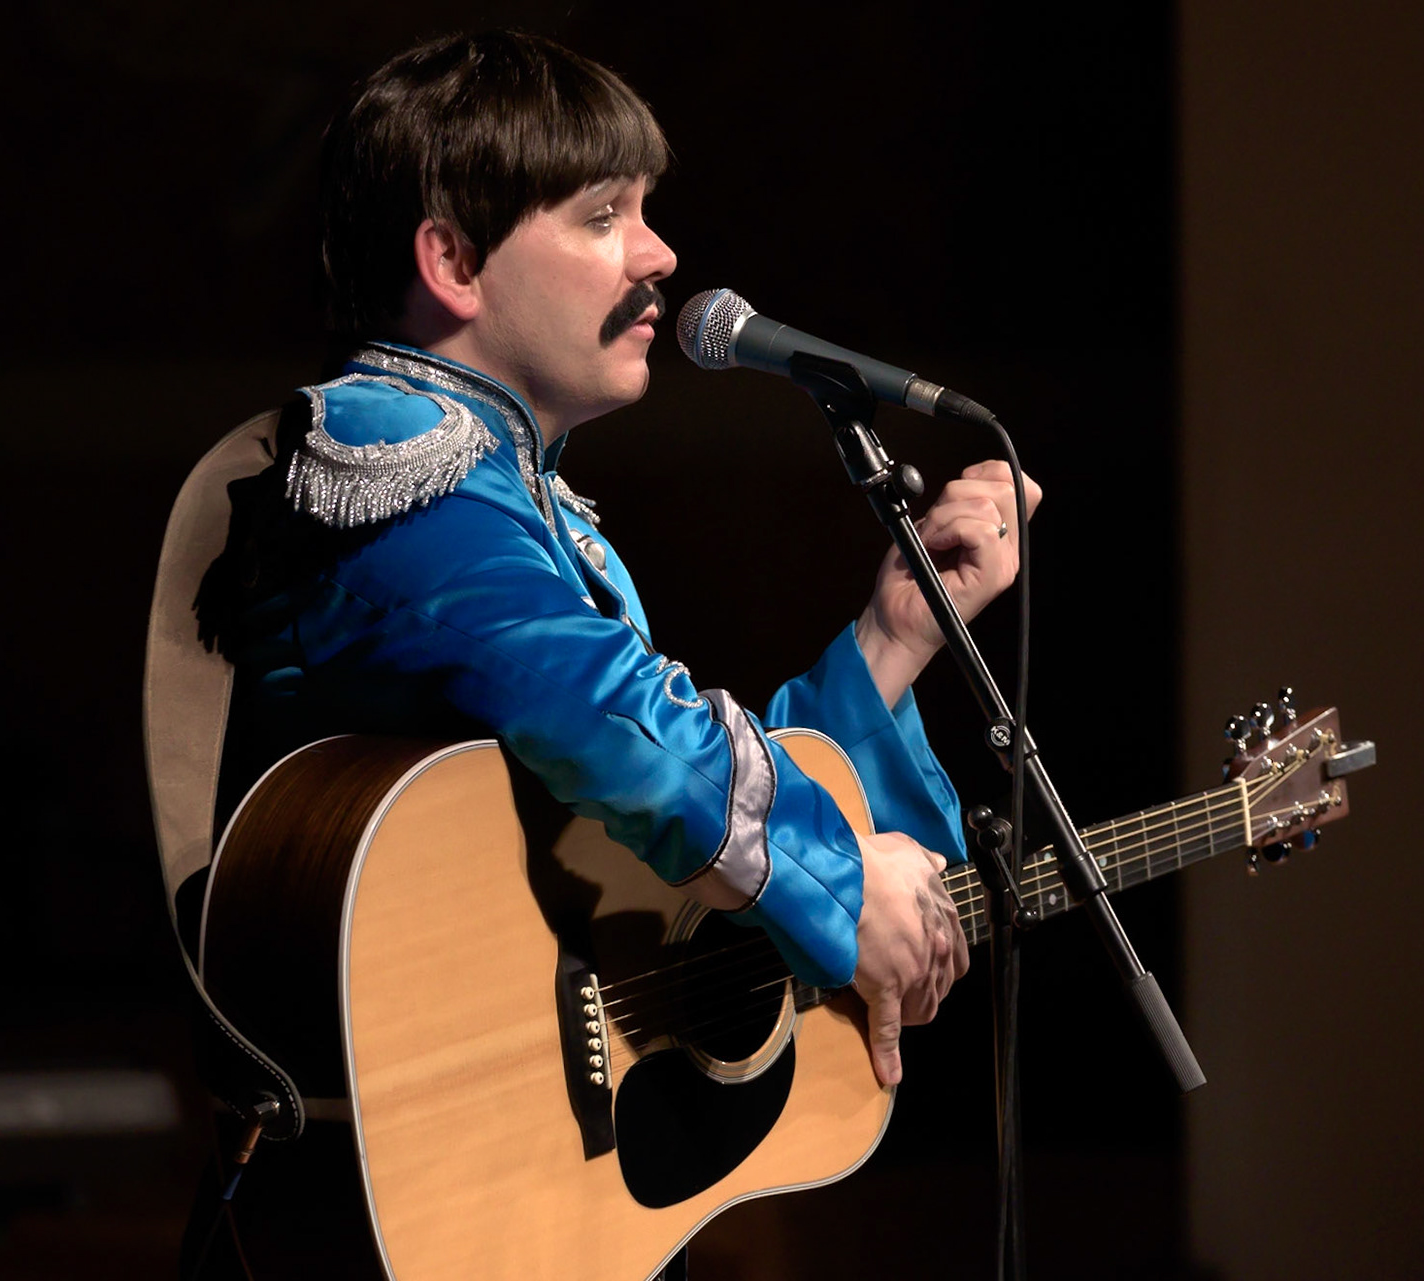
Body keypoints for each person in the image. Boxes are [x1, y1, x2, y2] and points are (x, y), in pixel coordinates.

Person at [180, 30, 1037, 1279]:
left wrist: (893, 640)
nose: (661, 257)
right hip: (413, 1193)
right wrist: (838, 886)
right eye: (604, 216)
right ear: (453, 260)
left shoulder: (506, 487)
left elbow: (653, 819)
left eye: (647, 212)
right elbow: (606, 719)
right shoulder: (395, 465)